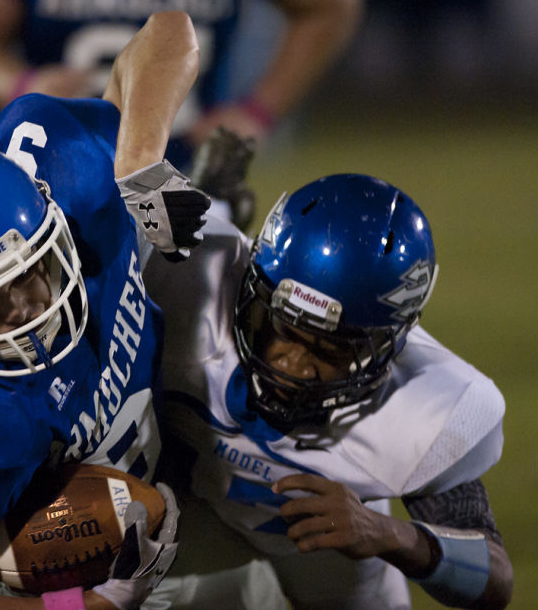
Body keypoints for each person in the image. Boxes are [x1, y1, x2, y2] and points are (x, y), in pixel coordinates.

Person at [0, 11, 210, 609]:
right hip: (95, 564)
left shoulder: (62, 160)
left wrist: (137, 161)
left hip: (200, 469)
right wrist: (94, 604)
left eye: (35, 268)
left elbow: (166, 33)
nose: (30, 304)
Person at [143, 172, 514, 608]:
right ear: (250, 290)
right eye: (285, 329)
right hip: (189, 513)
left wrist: (388, 535)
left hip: (331, 546)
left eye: (331, 350)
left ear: (388, 345)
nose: (294, 365)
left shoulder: (421, 407)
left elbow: (496, 581)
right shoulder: (185, 291)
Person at [0, 0, 365, 231]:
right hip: (58, 184)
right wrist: (19, 85)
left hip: (189, 181)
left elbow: (334, 0)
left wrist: (257, 111)